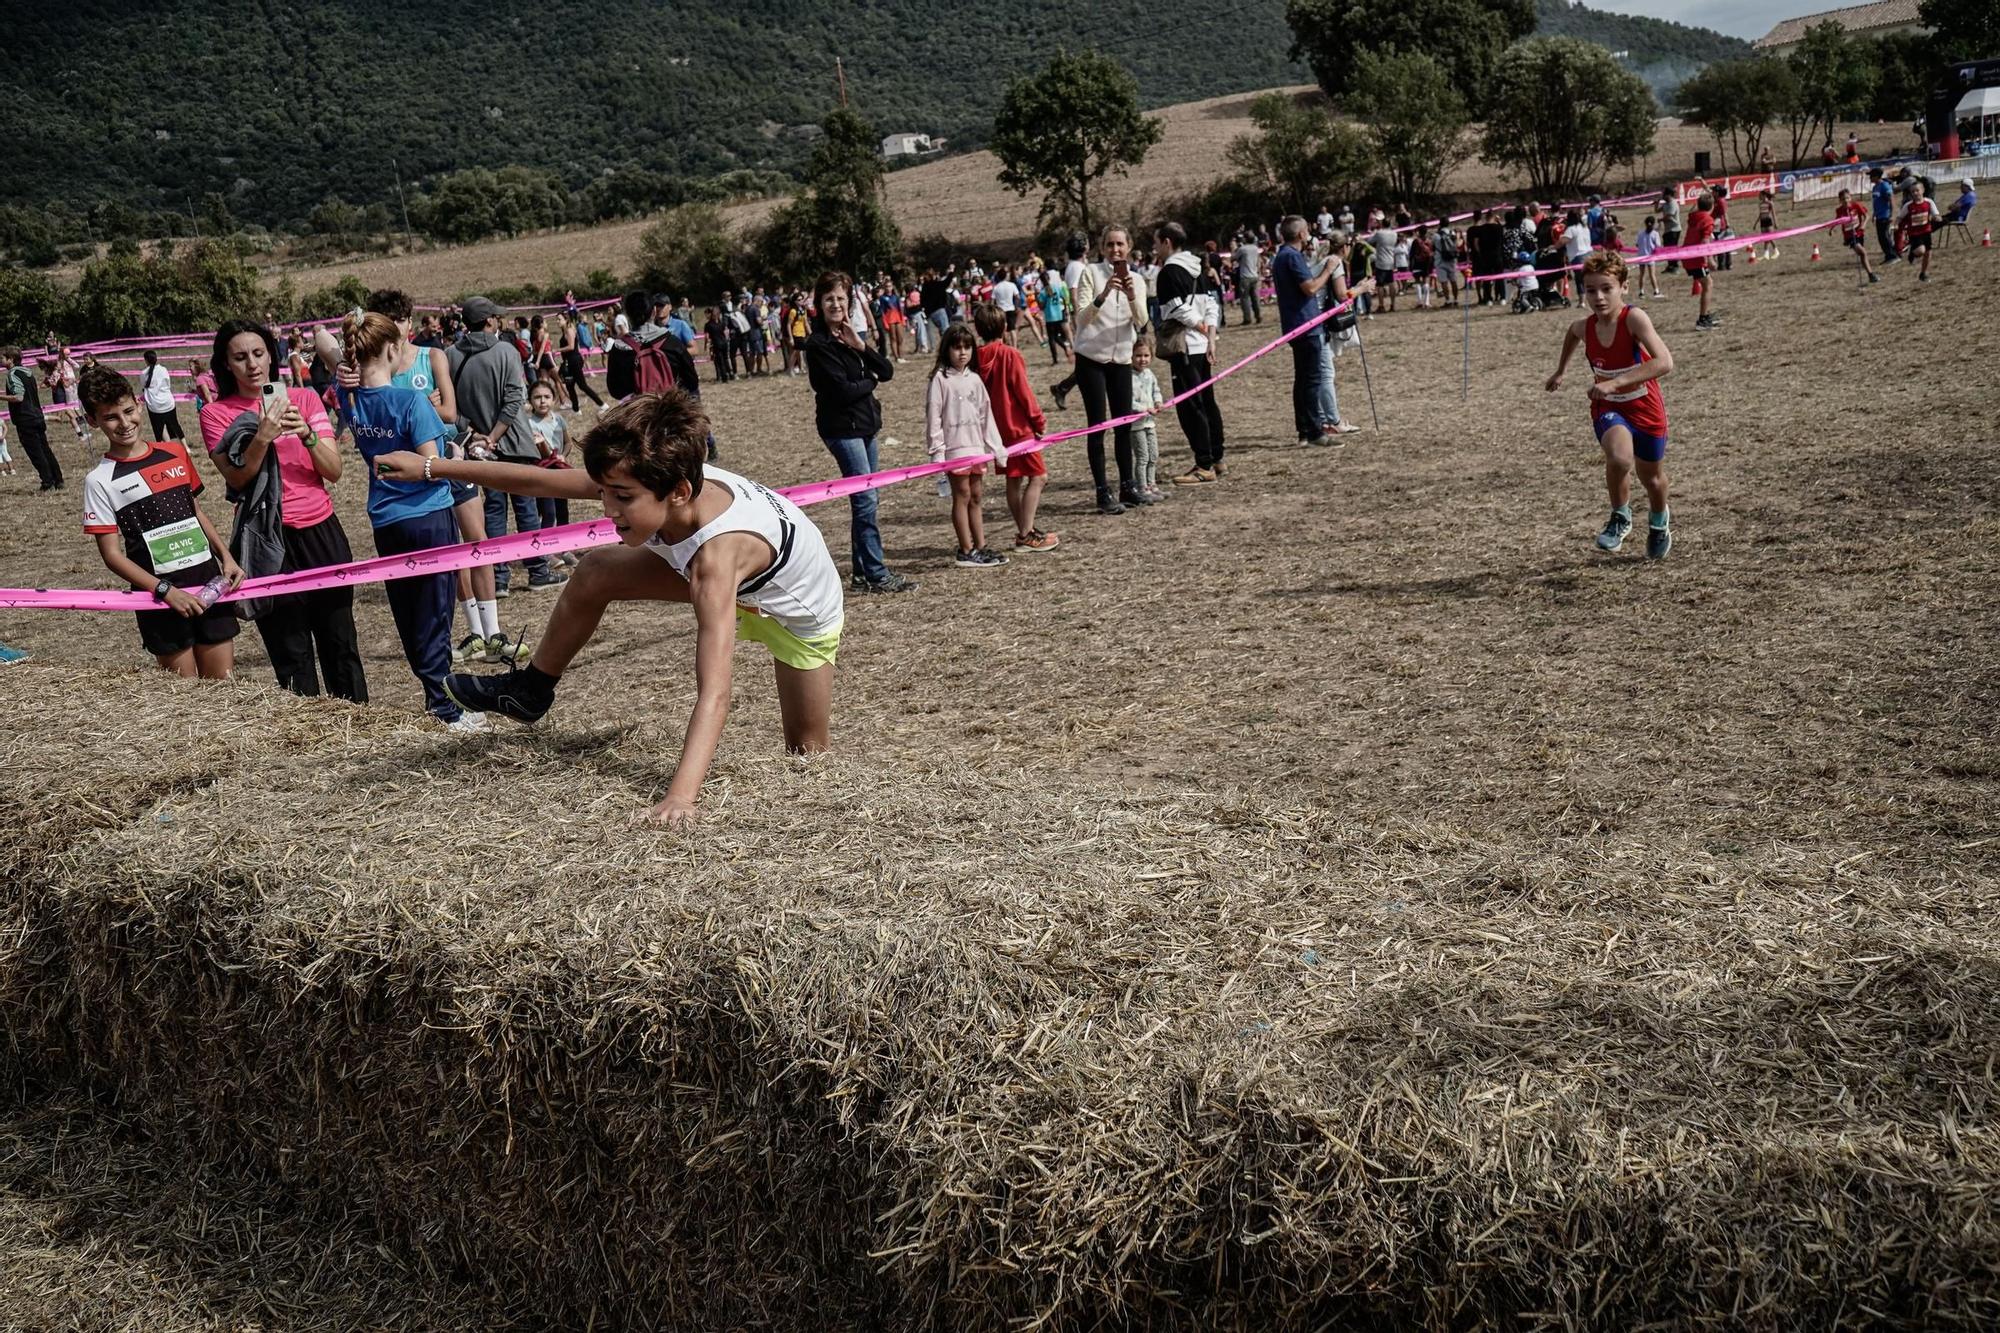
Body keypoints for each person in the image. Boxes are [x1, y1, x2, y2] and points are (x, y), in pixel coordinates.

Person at [377, 393, 845, 829]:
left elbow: (716, 693)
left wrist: (681, 797)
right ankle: (530, 690)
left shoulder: (716, 561)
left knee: (807, 756)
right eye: (604, 493)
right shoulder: (641, 475)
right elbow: (538, 480)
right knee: (597, 568)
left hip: (796, 615)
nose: (608, 508)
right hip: (741, 582)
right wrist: (432, 467)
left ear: (679, 492)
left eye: (621, 498)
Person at [200, 319, 368, 702]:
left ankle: (360, 729)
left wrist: (306, 435)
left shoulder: (306, 399)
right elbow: (237, 478)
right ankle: (309, 741)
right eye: (240, 357)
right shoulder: (216, 415)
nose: (252, 365)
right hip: (267, 542)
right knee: (290, 653)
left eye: (258, 353)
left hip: (322, 533)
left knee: (340, 644)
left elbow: (335, 471)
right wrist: (261, 438)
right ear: (226, 364)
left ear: (271, 355)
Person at [334, 312, 483, 730]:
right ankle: (445, 706)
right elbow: (427, 462)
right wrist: (455, 459)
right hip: (428, 513)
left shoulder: (349, 399)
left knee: (408, 613)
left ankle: (436, 694)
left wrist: (342, 370)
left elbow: (327, 348)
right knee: (435, 612)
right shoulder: (410, 400)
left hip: (386, 520)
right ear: (392, 349)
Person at [364, 288, 509, 666]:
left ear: (409, 323)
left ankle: (493, 631)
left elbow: (449, 410)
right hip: (409, 481)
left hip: (448, 460)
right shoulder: (375, 368)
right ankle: (473, 631)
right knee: (451, 556)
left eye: (399, 321)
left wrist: (422, 407)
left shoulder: (432, 356)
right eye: (386, 322)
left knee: (476, 540)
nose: (395, 330)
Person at [78, 365, 244, 679]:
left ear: (139, 404)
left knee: (223, 689)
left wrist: (227, 557)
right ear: (92, 421)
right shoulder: (98, 481)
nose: (125, 423)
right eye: (111, 417)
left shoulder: (173, 453)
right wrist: (166, 591)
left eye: (128, 411)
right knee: (185, 698)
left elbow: (196, 511)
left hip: (208, 583)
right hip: (161, 598)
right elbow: (112, 556)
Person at [1544, 250, 1676, 561]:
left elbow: (1665, 362)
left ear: (1624, 287)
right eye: (1590, 290)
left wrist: (1615, 382)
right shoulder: (1585, 325)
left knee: (1652, 478)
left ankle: (1659, 521)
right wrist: (1560, 370)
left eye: (1607, 288)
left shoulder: (1633, 318)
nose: (1599, 297)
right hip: (1608, 407)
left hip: (1645, 407)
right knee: (1618, 457)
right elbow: (1572, 333)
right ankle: (1620, 516)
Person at [804, 271, 917, 595]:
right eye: (829, 299)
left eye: (841, 298)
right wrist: (869, 381)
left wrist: (860, 346)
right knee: (865, 499)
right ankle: (877, 573)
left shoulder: (850, 337)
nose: (836, 304)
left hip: (866, 425)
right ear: (819, 304)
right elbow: (842, 391)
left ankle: (861, 572)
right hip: (842, 429)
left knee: (868, 498)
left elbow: (887, 371)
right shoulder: (818, 345)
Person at [448, 296, 566, 598]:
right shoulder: (506, 351)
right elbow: (514, 400)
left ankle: (498, 579)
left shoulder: (450, 355)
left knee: (493, 511)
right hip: (512, 443)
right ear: (489, 321)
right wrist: (495, 436)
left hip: (478, 448)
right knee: (526, 509)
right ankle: (538, 571)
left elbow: (451, 407)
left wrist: (477, 435)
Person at [1068, 226, 1150, 513]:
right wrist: (1102, 296)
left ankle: (1128, 486)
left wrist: (1130, 295)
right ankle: (1103, 491)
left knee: (1124, 424)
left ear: (1129, 247)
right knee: (1098, 425)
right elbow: (1081, 320)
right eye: (1110, 245)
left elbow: (1141, 322)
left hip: (1122, 361)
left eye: (1120, 244)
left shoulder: (1138, 280)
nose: (1115, 250)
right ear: (1102, 248)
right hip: (1091, 359)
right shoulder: (1090, 273)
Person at [1272, 216, 1366, 449]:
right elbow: (1311, 288)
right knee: (1312, 380)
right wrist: (1329, 268)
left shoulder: (1281, 256)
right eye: (1307, 231)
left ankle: (1304, 430)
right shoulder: (1292, 257)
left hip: (1298, 325)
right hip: (1306, 325)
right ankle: (1315, 432)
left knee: (1303, 380)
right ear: (1302, 234)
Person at [972, 304, 1058, 553]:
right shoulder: (1009, 354)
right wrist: (1038, 421)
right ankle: (1025, 534)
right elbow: (1023, 392)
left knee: (1013, 480)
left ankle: (1026, 529)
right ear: (1004, 327)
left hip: (996, 431)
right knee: (1039, 477)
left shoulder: (976, 358)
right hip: (1019, 428)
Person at [925, 322, 1009, 569]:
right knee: (961, 496)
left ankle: (980, 546)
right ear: (946, 350)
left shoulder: (975, 380)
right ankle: (966, 548)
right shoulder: (940, 380)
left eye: (967, 347)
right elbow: (934, 416)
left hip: (976, 450)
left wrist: (996, 448)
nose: (962, 352)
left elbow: (986, 415)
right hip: (955, 451)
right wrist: (938, 452)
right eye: (957, 347)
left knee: (976, 496)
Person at [1152, 221, 1226, 484]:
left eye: (1156, 242)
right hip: (1202, 345)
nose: (1154, 247)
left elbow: (1177, 309)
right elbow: (1212, 304)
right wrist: (1211, 336)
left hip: (1184, 346)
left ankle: (1203, 464)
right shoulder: (1197, 267)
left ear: (1167, 242)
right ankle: (1217, 458)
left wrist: (1202, 328)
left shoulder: (1169, 272)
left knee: (1190, 406)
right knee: (1207, 401)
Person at [525, 379, 576, 560]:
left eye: (547, 397)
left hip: (559, 472)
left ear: (554, 399)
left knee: (562, 510)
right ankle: (545, 551)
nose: (542, 401)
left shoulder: (559, 420)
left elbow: (568, 442)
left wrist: (563, 454)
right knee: (548, 512)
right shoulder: (529, 424)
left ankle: (565, 548)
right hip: (542, 473)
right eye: (537, 397)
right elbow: (540, 452)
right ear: (530, 401)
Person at [3, 346, 63, 491]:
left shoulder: (12, 374)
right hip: (37, 416)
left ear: (10, 360)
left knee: (35, 452)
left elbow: (18, 397)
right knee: (45, 449)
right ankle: (58, 479)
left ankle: (47, 482)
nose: (1, 361)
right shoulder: (28, 372)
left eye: (3, 358)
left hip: (25, 418)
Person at [1129, 336, 1165, 500]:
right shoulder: (1128, 377)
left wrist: (1158, 401)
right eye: (1138, 355)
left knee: (1153, 455)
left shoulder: (1149, 374)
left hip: (1150, 424)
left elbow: (1155, 390)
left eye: (1146, 355)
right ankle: (1142, 487)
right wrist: (1145, 409)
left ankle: (1151, 484)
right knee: (1142, 457)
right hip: (1136, 425)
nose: (1142, 359)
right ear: (1130, 356)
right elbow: (1128, 401)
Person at [1682, 193, 1719, 331]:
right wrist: (1710, 259)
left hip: (1688, 257)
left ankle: (1705, 315)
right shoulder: (1707, 220)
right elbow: (1705, 241)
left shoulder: (1693, 217)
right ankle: (1702, 319)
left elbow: (1692, 211)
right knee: (1708, 284)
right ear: (1712, 206)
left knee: (1706, 283)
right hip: (1697, 258)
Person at [559, 314, 605, 412]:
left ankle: (602, 404)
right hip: (569, 361)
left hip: (574, 361)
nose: (557, 321)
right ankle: (576, 410)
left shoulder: (569, 330)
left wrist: (557, 350)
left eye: (559, 319)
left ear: (566, 319)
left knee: (582, 385)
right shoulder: (564, 331)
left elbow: (571, 347)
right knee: (570, 386)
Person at [1835, 189, 1879, 286]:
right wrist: (1831, 228)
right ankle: (1871, 274)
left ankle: (1870, 275)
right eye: (1843, 199)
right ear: (1840, 201)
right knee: (1863, 252)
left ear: (1850, 197)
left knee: (1862, 255)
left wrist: (1863, 224)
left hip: (1859, 233)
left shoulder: (1856, 205)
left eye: (1847, 198)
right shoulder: (1839, 210)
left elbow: (1866, 215)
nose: (1845, 201)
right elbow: (1837, 221)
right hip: (1849, 236)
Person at [1900, 180, 1940, 283]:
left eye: (1917, 190)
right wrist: (1896, 224)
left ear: (1922, 190)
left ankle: (1924, 273)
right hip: (1914, 233)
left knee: (1928, 253)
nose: (1915, 193)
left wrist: (1937, 218)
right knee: (1921, 251)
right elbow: (1900, 217)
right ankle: (1912, 253)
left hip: (1926, 231)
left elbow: (1936, 214)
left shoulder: (1929, 202)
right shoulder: (1908, 206)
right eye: (1912, 192)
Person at [137, 350, 182, 442]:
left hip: (154, 405)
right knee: (174, 424)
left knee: (159, 427)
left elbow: (144, 387)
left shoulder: (143, 373)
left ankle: (168, 444)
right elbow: (168, 384)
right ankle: (183, 446)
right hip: (168, 403)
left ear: (146, 360)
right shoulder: (164, 369)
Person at [1869, 167, 1901, 266]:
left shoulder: (1884, 186)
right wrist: (1874, 214)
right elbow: (1876, 201)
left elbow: (1891, 200)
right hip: (1879, 215)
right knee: (1881, 237)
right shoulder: (1875, 187)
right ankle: (1888, 256)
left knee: (1884, 237)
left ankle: (1893, 256)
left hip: (1885, 215)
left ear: (1876, 177)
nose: (1870, 178)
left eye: (1871, 176)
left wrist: (1892, 214)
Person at [1233, 233, 1265, 325]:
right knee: (1255, 298)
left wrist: (1237, 248)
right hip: (1254, 275)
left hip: (1245, 276)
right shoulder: (1255, 248)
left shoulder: (1243, 249)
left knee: (1245, 298)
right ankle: (1258, 316)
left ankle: (1247, 319)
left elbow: (1234, 258)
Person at [1369, 219, 1399, 313]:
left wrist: (1372, 234)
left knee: (1380, 285)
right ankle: (1393, 304)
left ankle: (1381, 305)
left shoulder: (1379, 233)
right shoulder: (1394, 234)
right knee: (1391, 283)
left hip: (1381, 261)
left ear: (1382, 224)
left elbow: (1369, 241)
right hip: (1391, 260)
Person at [1756, 189, 1779, 260]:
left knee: (1770, 237)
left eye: (1760, 195)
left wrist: (1775, 223)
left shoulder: (1770, 203)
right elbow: (1760, 214)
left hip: (1768, 221)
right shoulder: (1760, 204)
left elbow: (1773, 213)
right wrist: (1756, 223)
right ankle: (1766, 254)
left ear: (1764, 195)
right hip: (1762, 222)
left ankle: (1776, 251)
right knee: (1765, 238)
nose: (1759, 196)